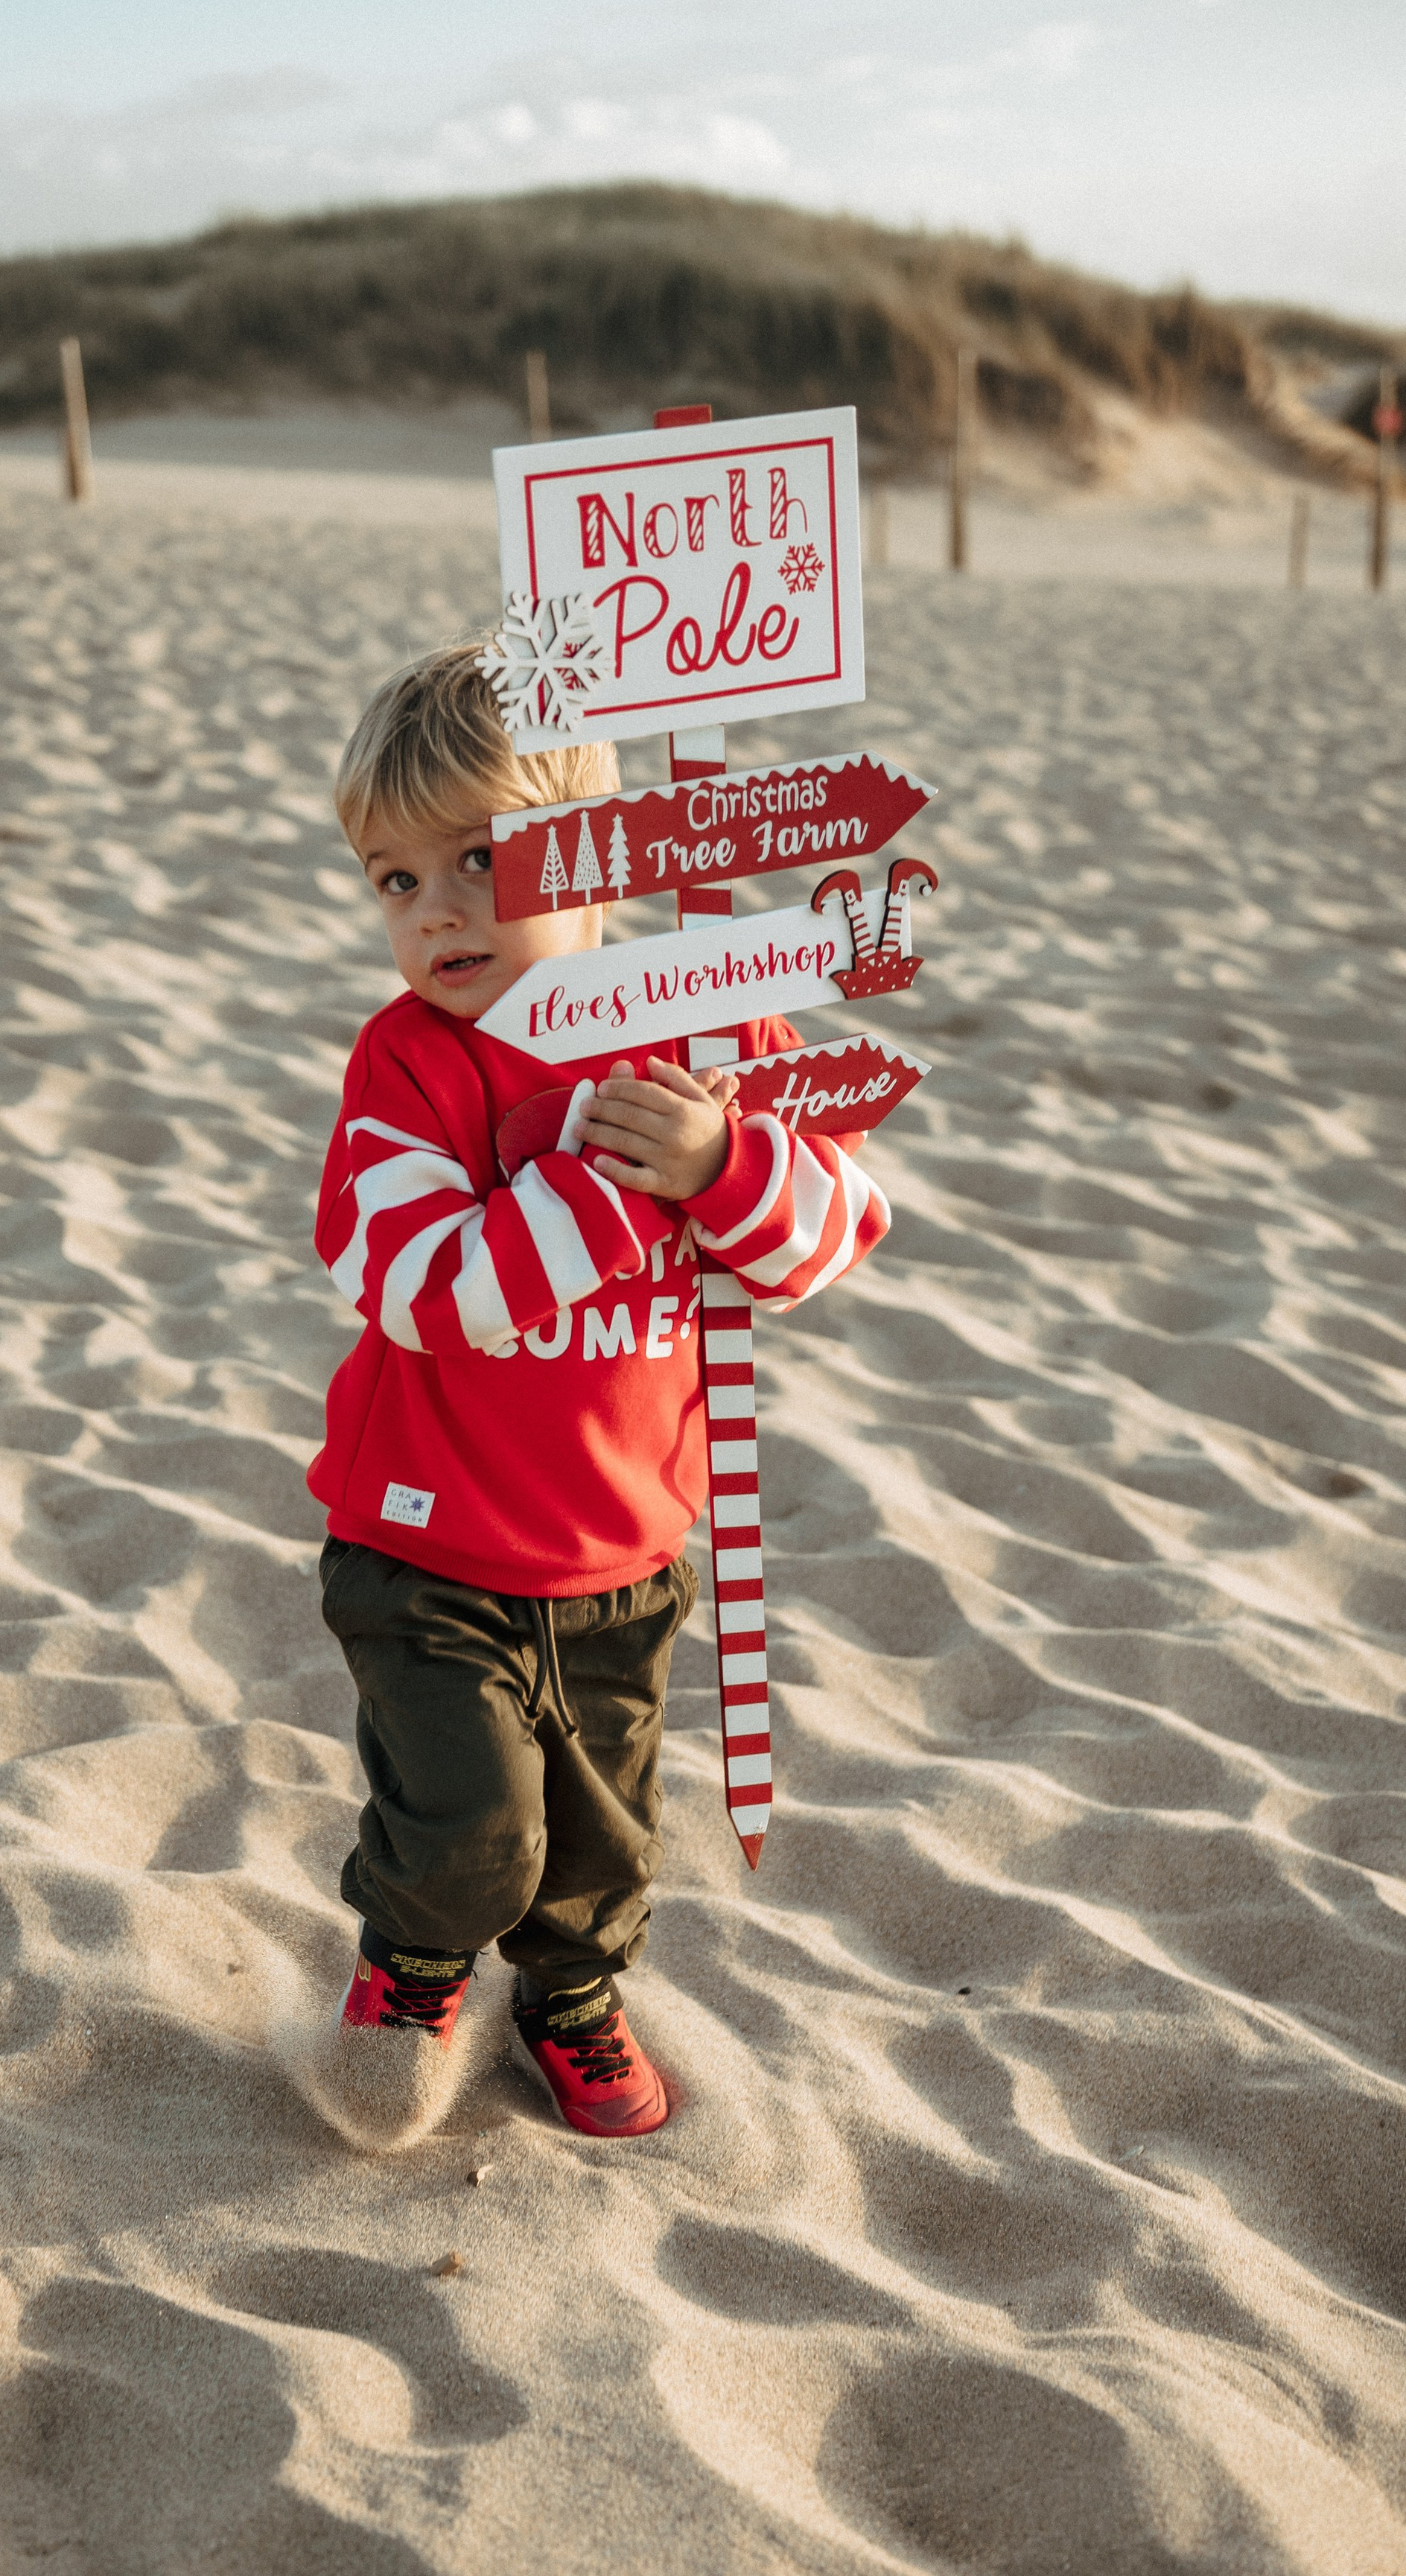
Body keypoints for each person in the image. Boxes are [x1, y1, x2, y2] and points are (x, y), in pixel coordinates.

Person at [309, 640, 890, 2139]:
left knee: (598, 1830)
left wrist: (722, 1163)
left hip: (625, 1536)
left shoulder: (700, 1029)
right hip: (427, 1540)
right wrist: (617, 1193)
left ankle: (566, 1994)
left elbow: (825, 1237)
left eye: (479, 859)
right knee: (466, 1821)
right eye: (393, 879)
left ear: (603, 859)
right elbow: (421, 1290)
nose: (433, 909)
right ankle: (414, 1965)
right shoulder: (411, 1068)